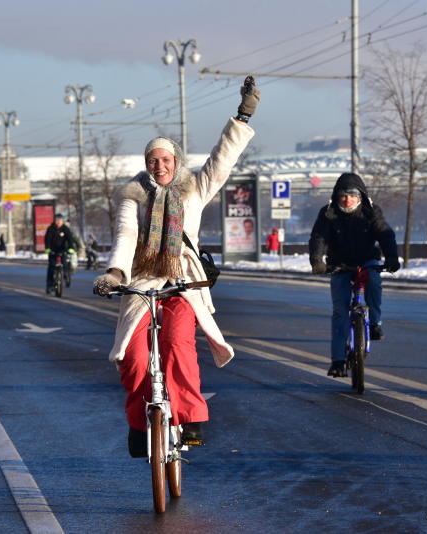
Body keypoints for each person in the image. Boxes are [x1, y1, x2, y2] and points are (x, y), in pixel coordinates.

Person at [92, 76, 260, 457]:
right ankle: (139, 426)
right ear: (146, 165)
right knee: (133, 359)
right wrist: (116, 275)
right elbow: (125, 235)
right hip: (141, 282)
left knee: (177, 344)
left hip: (182, 282)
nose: (159, 166)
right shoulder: (132, 198)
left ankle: (192, 418)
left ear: (176, 162)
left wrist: (242, 115)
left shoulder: (194, 189)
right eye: (153, 161)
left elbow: (222, 160)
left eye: (166, 160)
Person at [309, 172, 400, 377]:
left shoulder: (371, 212)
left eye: (352, 195)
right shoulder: (328, 213)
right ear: (336, 196)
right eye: (343, 195)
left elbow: (386, 235)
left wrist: (392, 259)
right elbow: (318, 238)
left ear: (360, 197)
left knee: (374, 281)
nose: (347, 199)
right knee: (340, 311)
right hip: (339, 264)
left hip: (367, 260)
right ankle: (338, 361)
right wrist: (317, 261)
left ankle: (375, 322)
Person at [44, 214, 75, 293]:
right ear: (54, 221)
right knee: (51, 267)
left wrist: (71, 248)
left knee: (65, 264)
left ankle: (65, 275)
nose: (58, 222)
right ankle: (49, 285)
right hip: (52, 250)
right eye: (57, 220)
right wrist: (47, 248)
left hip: (63, 250)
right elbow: (47, 239)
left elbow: (70, 239)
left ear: (62, 221)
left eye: (60, 220)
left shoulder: (65, 229)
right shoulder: (51, 228)